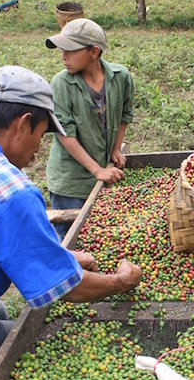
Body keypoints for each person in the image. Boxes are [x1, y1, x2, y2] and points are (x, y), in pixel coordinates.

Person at [0, 65, 141, 380]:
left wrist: (58, 256)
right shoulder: (8, 189)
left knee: (1, 311)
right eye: (41, 135)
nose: (38, 149)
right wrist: (120, 282)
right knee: (52, 344)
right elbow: (68, 290)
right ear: (23, 124)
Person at [45, 18, 135, 239]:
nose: (63, 56)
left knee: (99, 235)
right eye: (61, 50)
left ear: (94, 52)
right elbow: (65, 134)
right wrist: (98, 171)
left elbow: (124, 114)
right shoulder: (61, 84)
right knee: (72, 239)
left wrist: (115, 149)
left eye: (70, 50)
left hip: (102, 171)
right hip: (71, 182)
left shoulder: (120, 77)